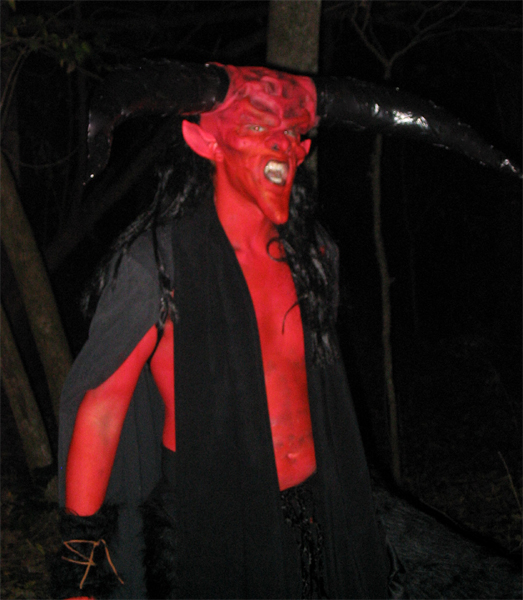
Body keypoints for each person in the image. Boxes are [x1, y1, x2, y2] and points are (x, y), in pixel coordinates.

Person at [52, 62, 518, 600]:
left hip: (319, 505)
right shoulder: (157, 263)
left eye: (294, 131)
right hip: (213, 523)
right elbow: (101, 410)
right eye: (258, 126)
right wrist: (82, 572)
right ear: (205, 142)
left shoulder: (312, 253)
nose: (284, 145)